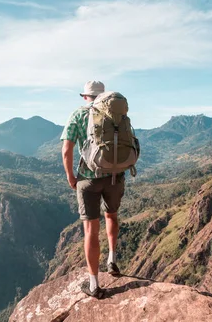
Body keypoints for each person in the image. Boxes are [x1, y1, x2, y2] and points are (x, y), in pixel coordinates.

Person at [61, 80, 125, 299]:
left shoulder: (78, 115)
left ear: (85, 97)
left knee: (91, 230)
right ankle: (112, 260)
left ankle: (94, 284)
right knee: (112, 215)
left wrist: (71, 177)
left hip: (89, 179)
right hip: (115, 176)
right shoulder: (115, 115)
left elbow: (67, 150)